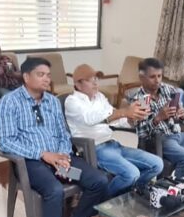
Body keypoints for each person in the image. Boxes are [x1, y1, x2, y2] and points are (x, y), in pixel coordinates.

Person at [0, 57, 109, 217]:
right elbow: (6, 142)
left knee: (99, 181)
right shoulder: (10, 102)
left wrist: (63, 155)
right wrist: (43, 155)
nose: (47, 79)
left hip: (58, 159)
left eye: (48, 75)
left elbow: (63, 133)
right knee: (54, 191)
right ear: (26, 77)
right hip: (31, 162)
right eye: (41, 74)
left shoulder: (52, 101)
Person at [65, 64, 163, 196]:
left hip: (113, 144)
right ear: (78, 84)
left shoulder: (100, 97)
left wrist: (131, 119)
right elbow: (89, 119)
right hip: (96, 149)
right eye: (90, 80)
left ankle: (131, 194)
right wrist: (123, 112)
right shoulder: (72, 101)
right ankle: (103, 202)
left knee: (157, 164)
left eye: (96, 79)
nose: (95, 82)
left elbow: (115, 119)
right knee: (131, 174)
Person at [126, 58, 184, 180]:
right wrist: (158, 118)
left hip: (179, 134)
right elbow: (142, 132)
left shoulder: (169, 90)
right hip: (160, 138)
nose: (157, 80)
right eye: (152, 77)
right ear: (142, 77)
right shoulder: (141, 99)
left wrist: (183, 114)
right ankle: (174, 187)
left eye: (159, 76)